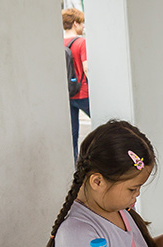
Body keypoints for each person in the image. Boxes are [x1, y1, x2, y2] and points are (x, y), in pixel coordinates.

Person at [62, 9, 91, 159]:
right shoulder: (81, 42)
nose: (83, 27)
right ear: (75, 23)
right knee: (103, 123)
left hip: (68, 94)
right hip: (83, 92)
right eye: (81, 23)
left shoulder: (59, 42)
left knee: (72, 136)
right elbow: (86, 68)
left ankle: (74, 166)